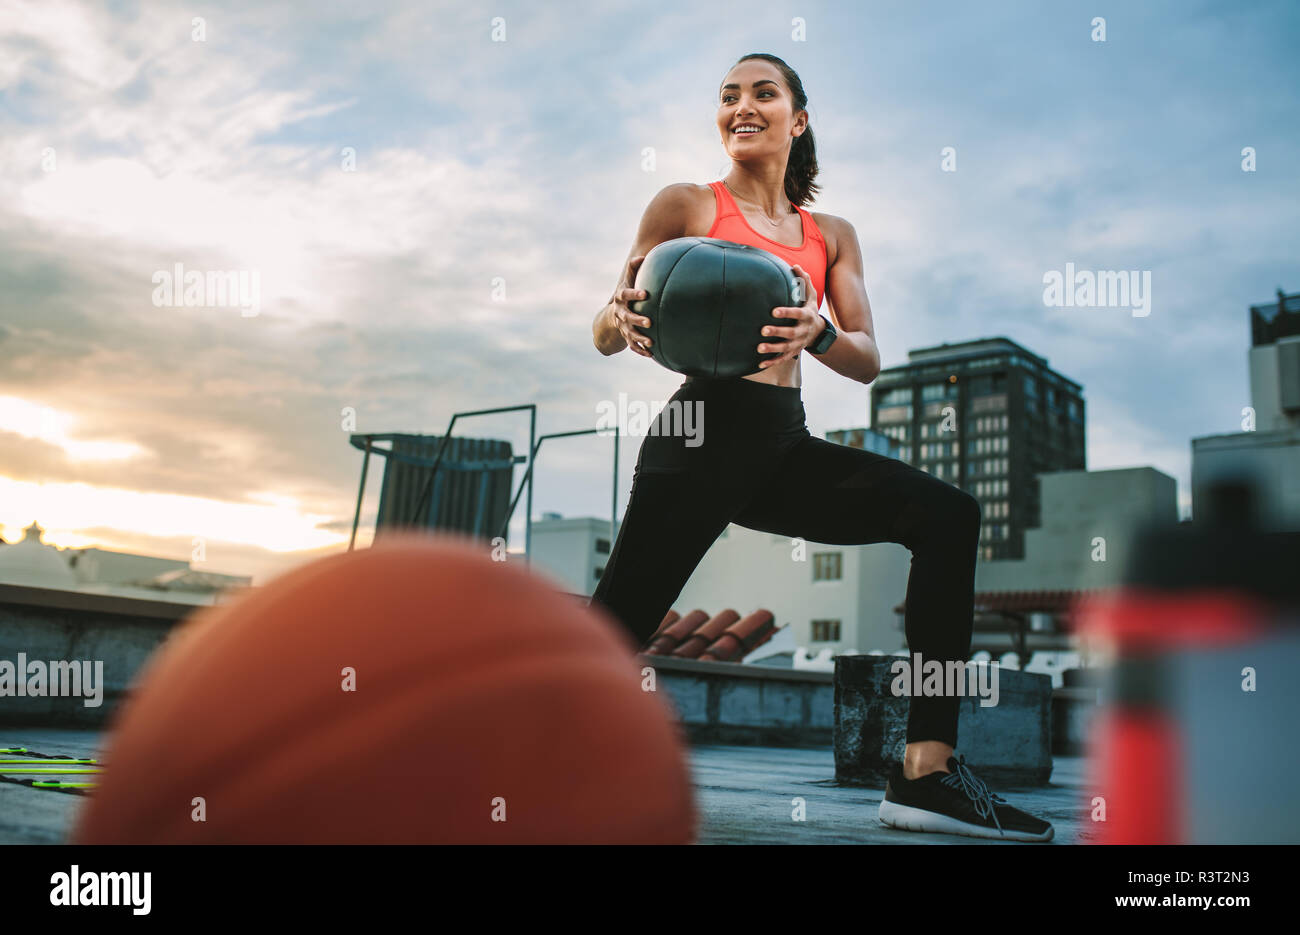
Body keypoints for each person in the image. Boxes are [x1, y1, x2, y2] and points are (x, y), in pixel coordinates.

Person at [589, 53, 1053, 842]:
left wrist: (822, 332)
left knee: (948, 515)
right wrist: (623, 320)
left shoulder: (830, 236)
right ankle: (511, 753)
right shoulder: (684, 204)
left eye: (762, 93)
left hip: (782, 441)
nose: (742, 105)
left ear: (797, 118)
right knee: (615, 629)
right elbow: (605, 324)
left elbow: (867, 357)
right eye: (728, 96)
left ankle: (927, 773)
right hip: (697, 435)